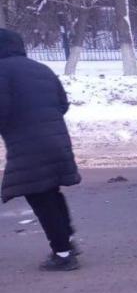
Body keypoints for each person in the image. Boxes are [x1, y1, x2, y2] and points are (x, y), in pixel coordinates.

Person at [0, 28, 82, 271]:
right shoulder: (40, 68)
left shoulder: (2, 71)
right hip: (55, 139)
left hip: (28, 144)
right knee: (50, 191)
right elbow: (62, 103)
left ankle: (63, 254)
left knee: (39, 194)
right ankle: (66, 241)